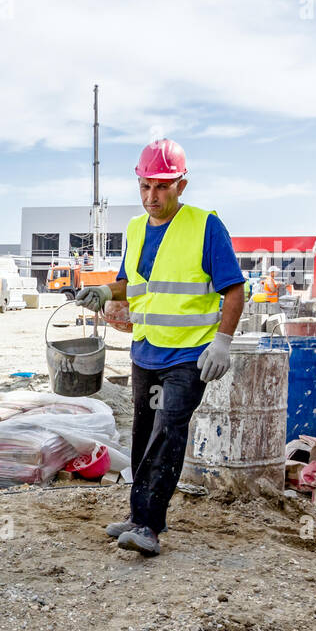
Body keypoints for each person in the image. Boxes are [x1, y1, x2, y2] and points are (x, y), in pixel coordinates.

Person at [73, 138, 246, 556]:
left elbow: (235, 290)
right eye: (146, 186)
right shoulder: (135, 229)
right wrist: (103, 293)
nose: (152, 196)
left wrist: (222, 343)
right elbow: (133, 283)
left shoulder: (205, 226)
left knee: (168, 434)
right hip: (146, 349)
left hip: (188, 355)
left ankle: (150, 525)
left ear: (181, 186)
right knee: (144, 433)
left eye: (163, 187)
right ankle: (137, 516)